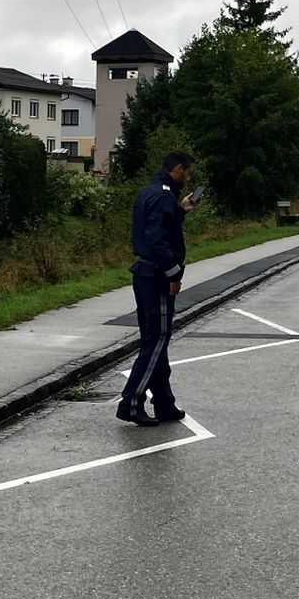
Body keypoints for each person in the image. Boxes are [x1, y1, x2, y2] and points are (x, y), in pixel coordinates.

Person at [120, 151, 198, 425]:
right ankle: (131, 402)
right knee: (156, 341)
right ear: (178, 169)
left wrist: (181, 211)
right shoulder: (164, 197)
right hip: (157, 276)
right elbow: (157, 240)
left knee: (156, 341)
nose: (188, 178)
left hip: (144, 274)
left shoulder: (149, 192)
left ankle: (164, 403)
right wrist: (174, 272)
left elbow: (160, 227)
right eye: (187, 172)